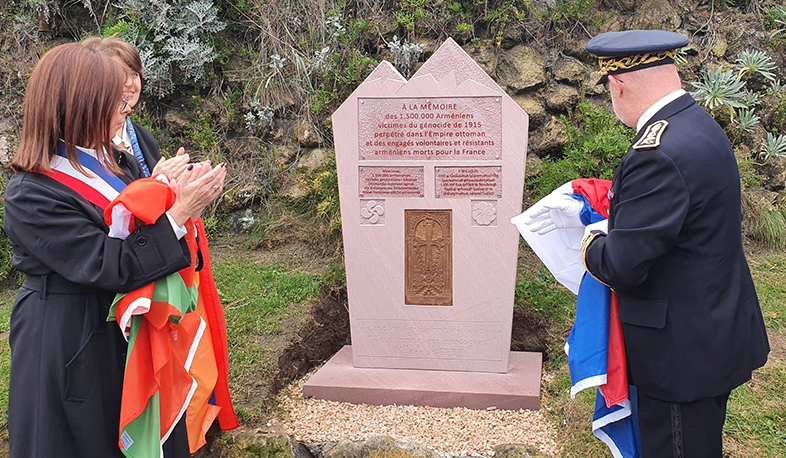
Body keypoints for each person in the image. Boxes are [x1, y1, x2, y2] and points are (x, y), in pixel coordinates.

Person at [4, 42, 226, 458]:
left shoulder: (113, 163)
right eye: (114, 99)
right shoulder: (31, 193)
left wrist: (169, 196)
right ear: (79, 105)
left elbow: (134, 236)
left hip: (123, 330)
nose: (127, 107)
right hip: (68, 338)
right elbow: (108, 263)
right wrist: (178, 215)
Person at [576, 30, 770, 457]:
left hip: (678, 354)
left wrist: (590, 237)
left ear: (618, 84)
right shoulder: (697, 123)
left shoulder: (656, 152)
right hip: (710, 328)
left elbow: (622, 264)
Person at [81, 36, 190, 180]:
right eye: (121, 74)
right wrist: (157, 181)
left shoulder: (145, 137)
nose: (130, 83)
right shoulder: (88, 142)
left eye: (134, 74)